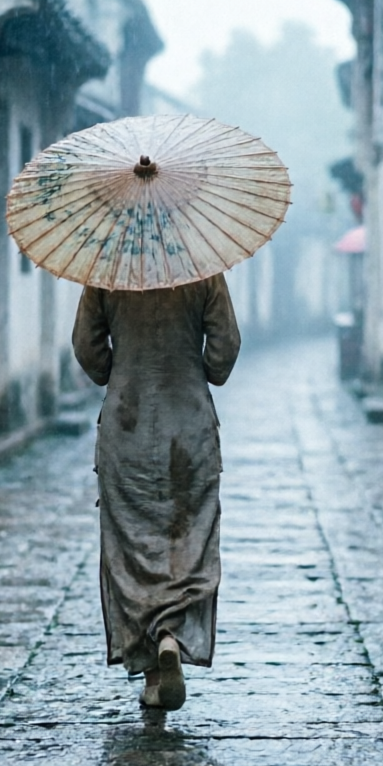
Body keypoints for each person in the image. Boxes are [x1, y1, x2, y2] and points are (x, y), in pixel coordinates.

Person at [71, 274, 241, 710]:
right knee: (189, 538)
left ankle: (151, 668)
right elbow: (224, 353)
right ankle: (173, 635)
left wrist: (120, 362)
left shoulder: (106, 273)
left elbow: (89, 353)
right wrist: (191, 365)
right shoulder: (201, 270)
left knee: (131, 543)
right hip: (189, 426)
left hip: (126, 424)